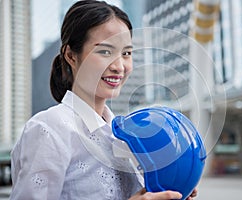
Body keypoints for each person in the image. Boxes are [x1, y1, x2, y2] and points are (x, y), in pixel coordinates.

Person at [10, 1, 197, 199]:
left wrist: (166, 192)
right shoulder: (49, 129)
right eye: (105, 51)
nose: (119, 66)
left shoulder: (122, 134)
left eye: (126, 53)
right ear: (71, 56)